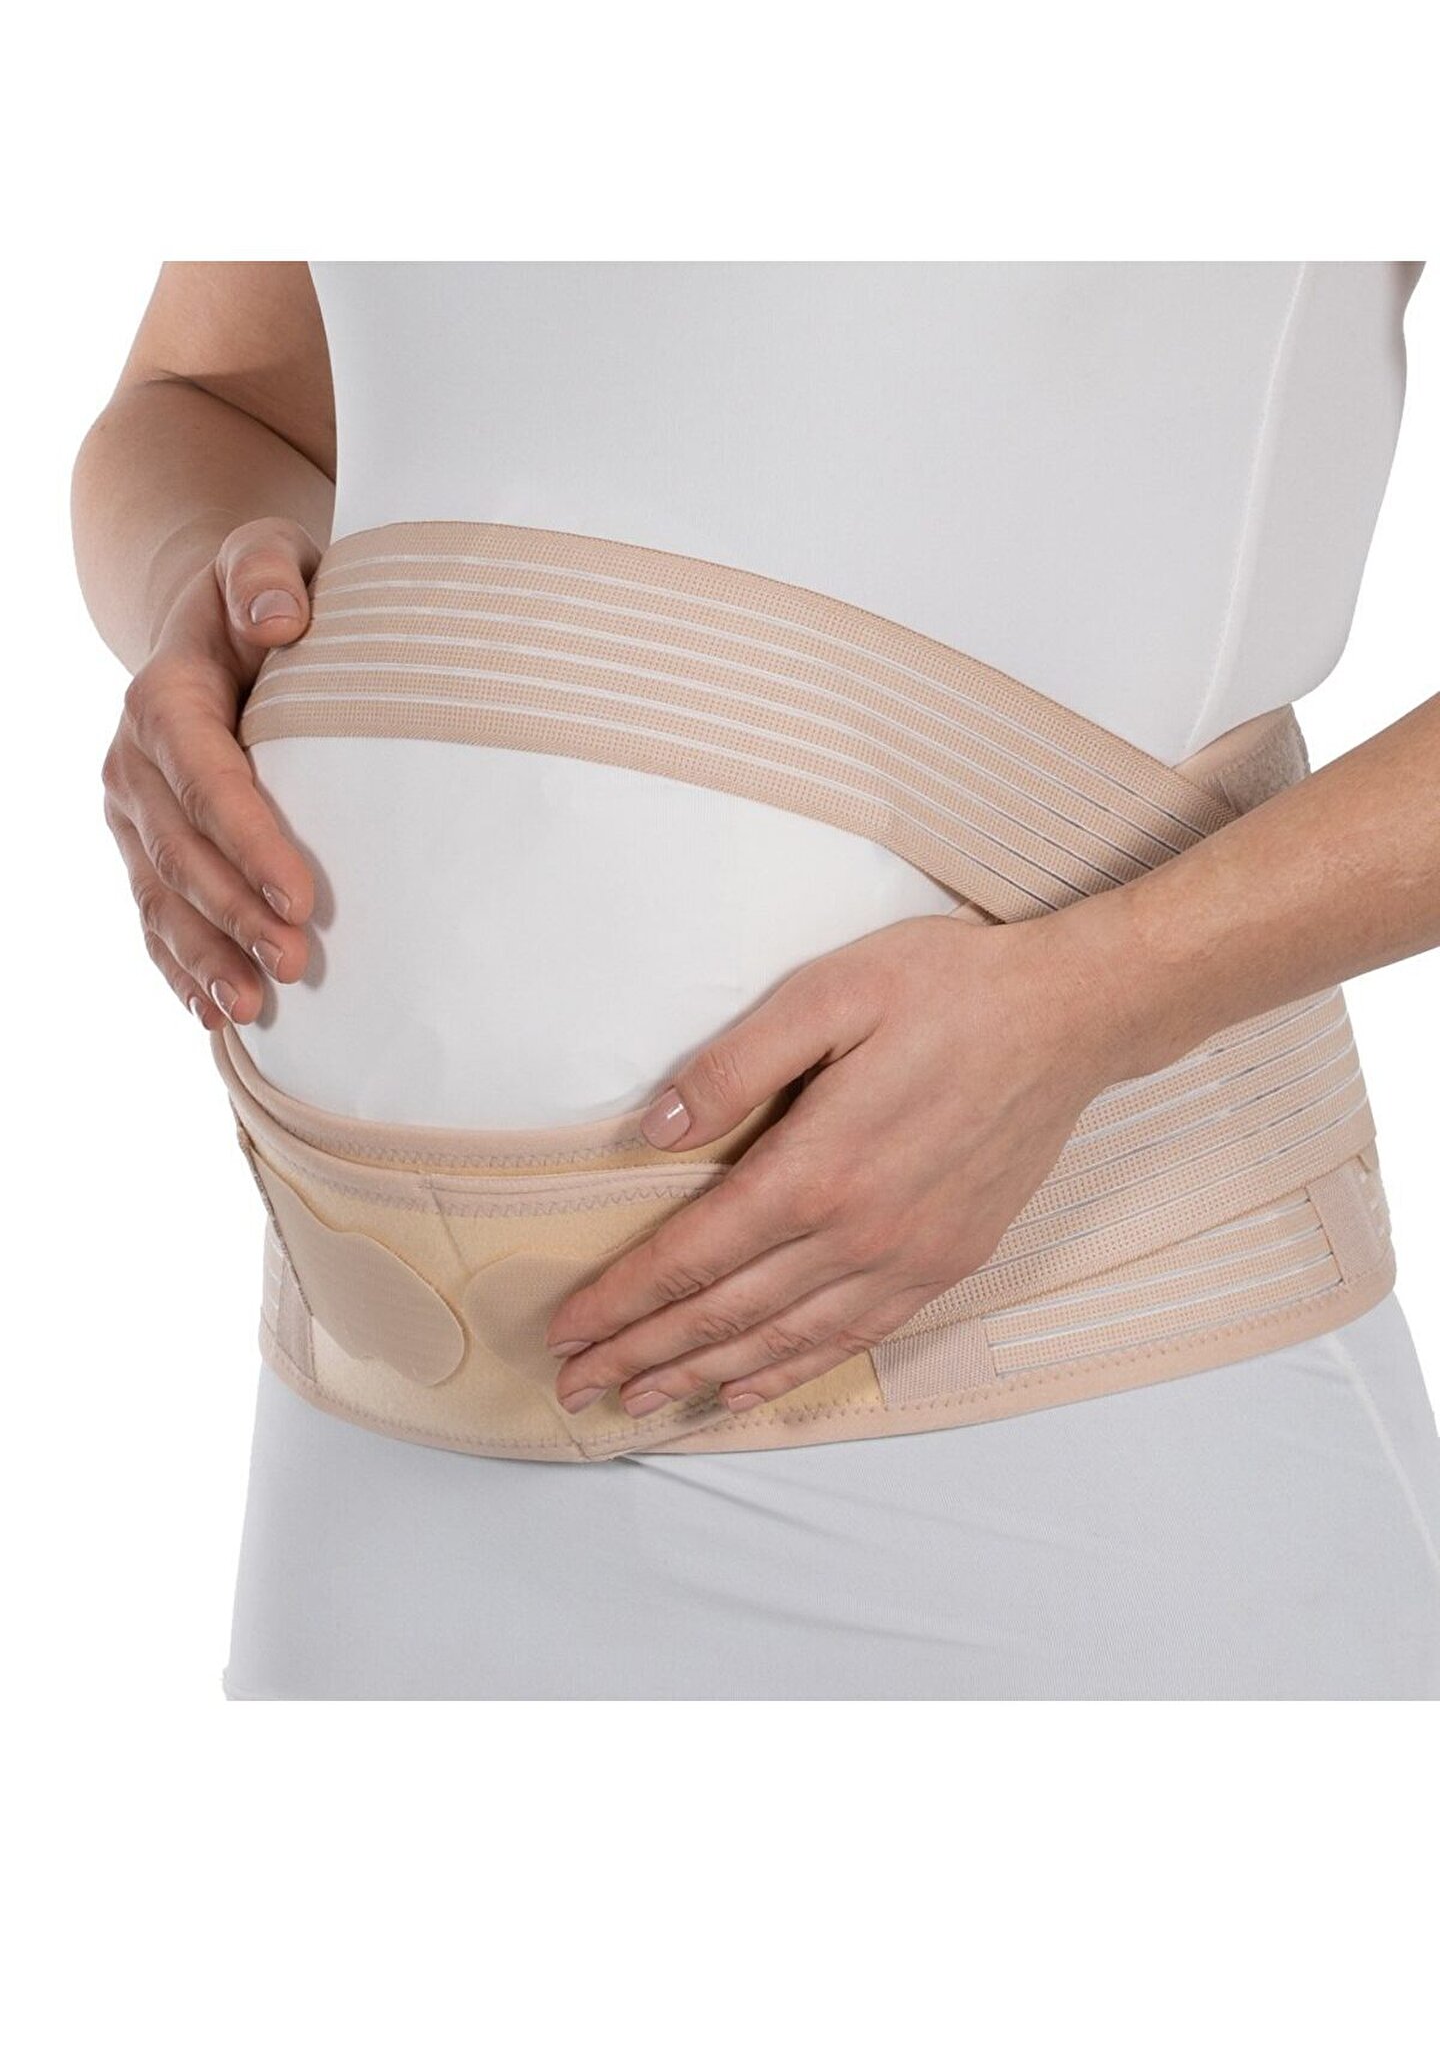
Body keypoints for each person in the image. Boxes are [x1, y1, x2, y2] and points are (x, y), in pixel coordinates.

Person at [72, 260, 1440, 1698]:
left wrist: (1106, 993)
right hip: (382, 1463)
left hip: (1089, 1428)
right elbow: (206, 397)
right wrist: (193, 599)